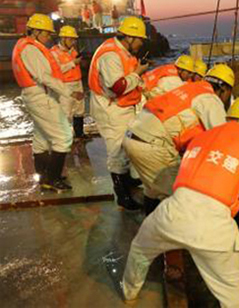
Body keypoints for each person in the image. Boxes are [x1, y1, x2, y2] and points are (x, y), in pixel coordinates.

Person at [122, 96, 239, 307]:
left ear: (229, 118)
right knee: (233, 295)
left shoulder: (200, 138)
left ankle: (129, 296)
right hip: (214, 229)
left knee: (139, 250)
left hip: (170, 215)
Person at [123, 63, 234, 215]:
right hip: (152, 146)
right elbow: (223, 139)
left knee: (153, 189)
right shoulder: (210, 99)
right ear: (225, 89)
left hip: (133, 137)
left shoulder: (190, 88)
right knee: (180, 195)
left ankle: (150, 226)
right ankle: (169, 235)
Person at [11, 13, 84, 192]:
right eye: (46, 33)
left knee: (41, 137)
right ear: (35, 31)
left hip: (35, 94)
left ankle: (45, 174)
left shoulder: (27, 46)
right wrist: (68, 92)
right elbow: (44, 76)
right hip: (40, 95)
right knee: (63, 137)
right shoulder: (31, 49)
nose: (48, 37)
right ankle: (52, 178)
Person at [89, 16, 149, 210]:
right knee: (117, 151)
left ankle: (127, 182)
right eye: (140, 39)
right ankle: (122, 196)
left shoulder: (120, 51)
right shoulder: (111, 55)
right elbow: (118, 86)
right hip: (111, 109)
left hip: (120, 108)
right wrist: (138, 73)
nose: (141, 44)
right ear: (130, 37)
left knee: (125, 147)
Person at [50, 25, 85, 138]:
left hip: (77, 83)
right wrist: (73, 63)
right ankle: (64, 138)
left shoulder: (73, 51)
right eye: (70, 39)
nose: (73, 42)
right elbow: (56, 70)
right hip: (64, 85)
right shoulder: (54, 53)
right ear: (63, 39)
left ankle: (79, 134)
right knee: (66, 113)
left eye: (74, 39)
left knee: (79, 110)